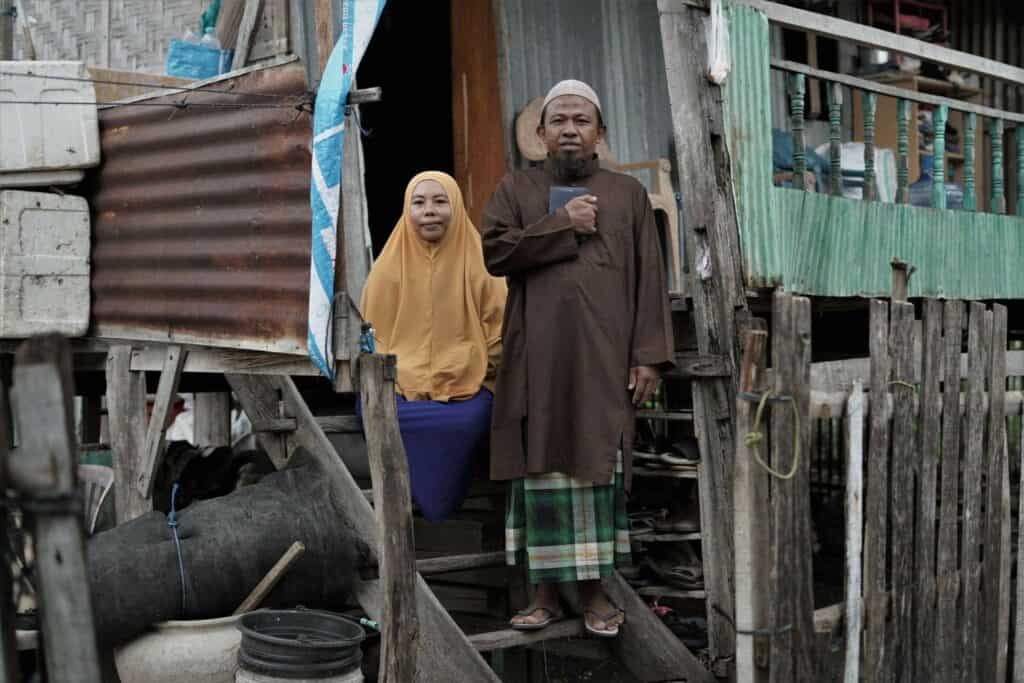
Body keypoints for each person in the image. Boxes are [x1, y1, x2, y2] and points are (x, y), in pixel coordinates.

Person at [482, 80, 675, 637]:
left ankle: (594, 595)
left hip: (604, 359)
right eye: (558, 120)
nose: (569, 129)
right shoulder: (515, 189)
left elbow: (649, 281)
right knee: (539, 464)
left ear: (600, 134)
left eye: (581, 120)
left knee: (596, 466)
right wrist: (561, 226)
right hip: (537, 360)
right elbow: (494, 253)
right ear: (540, 134)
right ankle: (543, 595)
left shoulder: (628, 195)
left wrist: (648, 359)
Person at [360, 171, 507, 522]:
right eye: (419, 202)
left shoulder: (482, 265)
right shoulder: (387, 269)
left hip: (468, 388)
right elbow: (370, 336)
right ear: (406, 211)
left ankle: (437, 506)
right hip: (399, 388)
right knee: (380, 416)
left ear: (455, 207)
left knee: (467, 422)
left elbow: (502, 332)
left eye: (440, 202)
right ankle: (417, 506)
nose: (430, 211)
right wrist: (406, 379)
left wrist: (474, 371)